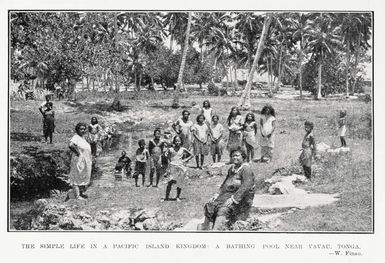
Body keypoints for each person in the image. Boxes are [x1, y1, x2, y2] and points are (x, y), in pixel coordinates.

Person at [198, 146, 255, 230]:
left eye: (237, 155)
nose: (234, 157)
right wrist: (217, 194)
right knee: (210, 205)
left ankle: (216, 230)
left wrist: (233, 199)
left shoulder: (246, 169)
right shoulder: (231, 169)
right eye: (233, 156)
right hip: (227, 195)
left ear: (243, 156)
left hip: (242, 199)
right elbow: (225, 184)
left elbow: (245, 187)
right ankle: (207, 229)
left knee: (223, 209)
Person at [67, 122, 92, 200]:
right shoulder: (76, 137)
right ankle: (77, 196)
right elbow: (71, 145)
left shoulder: (82, 138)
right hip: (79, 160)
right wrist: (78, 153)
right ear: (77, 130)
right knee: (77, 176)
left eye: (84, 129)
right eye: (81, 129)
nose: (83, 130)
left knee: (82, 175)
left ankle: (80, 193)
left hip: (85, 160)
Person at [163, 135, 193, 202]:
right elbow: (166, 156)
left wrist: (184, 160)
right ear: (174, 141)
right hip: (173, 166)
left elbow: (191, 155)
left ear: (181, 142)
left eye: (178, 141)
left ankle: (178, 197)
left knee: (179, 183)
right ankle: (166, 197)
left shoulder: (183, 149)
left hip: (180, 167)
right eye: (176, 141)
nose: (177, 142)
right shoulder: (171, 149)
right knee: (170, 182)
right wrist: (170, 161)